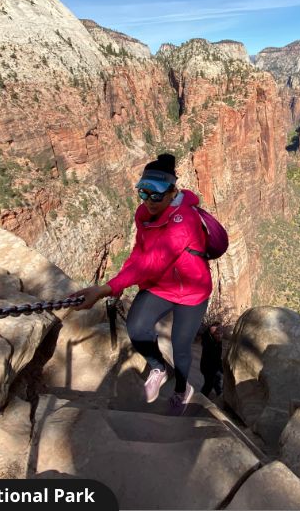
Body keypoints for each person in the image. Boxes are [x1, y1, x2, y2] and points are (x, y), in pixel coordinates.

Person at [69, 153, 212, 416]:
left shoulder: (185, 221)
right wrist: (119, 284)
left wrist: (105, 289)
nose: (149, 201)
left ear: (172, 192)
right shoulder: (143, 214)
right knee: (136, 327)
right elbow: (139, 252)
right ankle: (158, 367)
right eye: (143, 193)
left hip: (191, 291)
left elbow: (153, 263)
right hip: (161, 286)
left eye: (156, 195)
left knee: (181, 349)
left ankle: (183, 390)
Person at [200, 322, 223, 398]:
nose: (219, 335)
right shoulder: (209, 341)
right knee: (208, 385)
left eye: (221, 333)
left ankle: (219, 394)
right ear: (212, 332)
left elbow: (218, 358)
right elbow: (215, 358)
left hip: (214, 368)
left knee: (217, 382)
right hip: (208, 368)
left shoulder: (218, 342)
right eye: (217, 333)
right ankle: (201, 397)